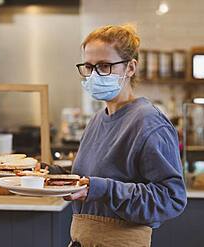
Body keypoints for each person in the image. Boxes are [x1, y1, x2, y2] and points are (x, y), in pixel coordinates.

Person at [64, 24, 187, 247]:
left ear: (130, 68)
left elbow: (171, 198)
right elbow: (93, 181)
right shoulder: (97, 120)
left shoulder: (148, 122)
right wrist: (55, 176)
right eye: (89, 67)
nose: (94, 75)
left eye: (104, 66)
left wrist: (101, 189)